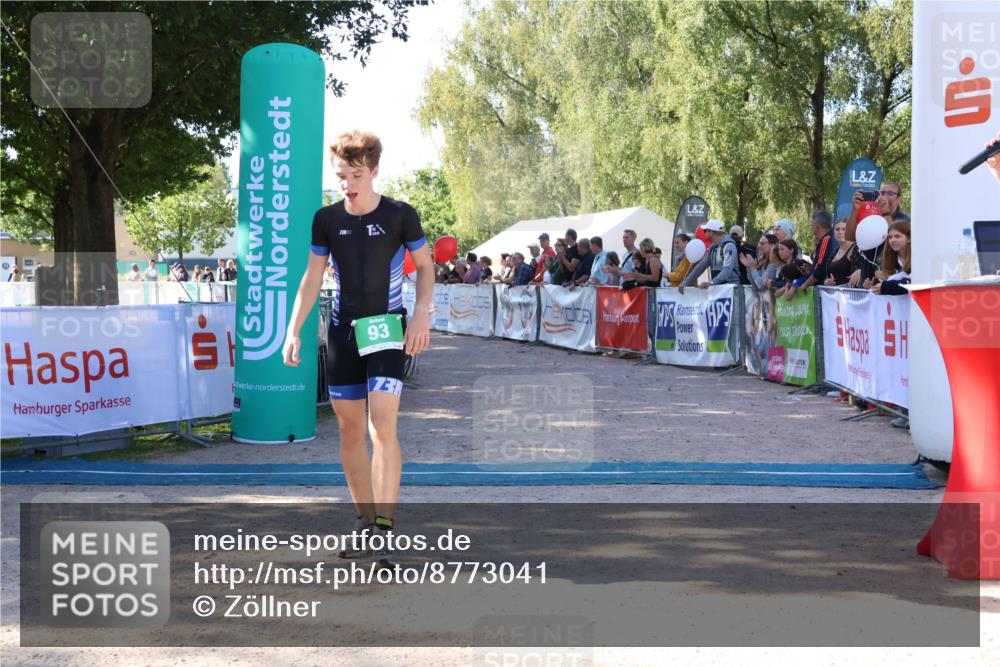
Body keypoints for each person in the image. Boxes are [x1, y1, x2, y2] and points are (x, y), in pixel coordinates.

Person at [282, 129, 433, 569]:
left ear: (374, 171)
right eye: (341, 175)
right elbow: (312, 279)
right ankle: (365, 521)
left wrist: (422, 310)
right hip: (342, 333)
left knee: (381, 427)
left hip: (386, 329)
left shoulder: (401, 215)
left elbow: (425, 266)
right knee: (349, 431)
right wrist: (294, 331)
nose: (347, 184)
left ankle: (385, 529)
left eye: (355, 175)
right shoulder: (326, 219)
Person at [783, 210, 839, 300]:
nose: (811, 227)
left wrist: (805, 284)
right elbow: (820, 266)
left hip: (825, 293)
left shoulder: (826, 240)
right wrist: (810, 269)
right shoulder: (825, 240)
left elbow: (820, 270)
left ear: (816, 225)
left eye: (812, 223)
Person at [682, 220, 739, 290]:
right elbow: (700, 267)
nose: (704, 233)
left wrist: (711, 283)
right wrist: (685, 283)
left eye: (705, 231)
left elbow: (727, 270)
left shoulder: (729, 246)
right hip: (719, 289)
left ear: (711, 232)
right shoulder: (712, 248)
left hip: (731, 290)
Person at [869, 220, 911, 295]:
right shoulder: (893, 259)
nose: (892, 240)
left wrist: (884, 287)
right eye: (890, 237)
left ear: (909, 238)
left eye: (897, 236)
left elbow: (908, 283)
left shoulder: (917, 259)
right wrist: (875, 285)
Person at [824, 219, 860, 287]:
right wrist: (827, 282)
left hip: (852, 295)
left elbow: (868, 269)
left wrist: (861, 271)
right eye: (837, 229)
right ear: (833, 232)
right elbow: (828, 276)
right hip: (834, 295)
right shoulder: (834, 253)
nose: (840, 232)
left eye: (844, 229)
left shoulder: (857, 249)